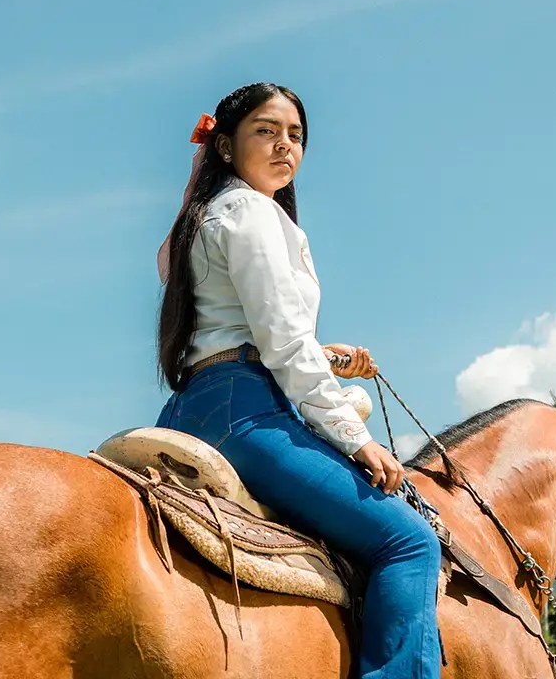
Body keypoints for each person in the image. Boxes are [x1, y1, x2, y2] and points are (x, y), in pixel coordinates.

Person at [153, 82, 441, 679]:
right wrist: (356, 438)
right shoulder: (255, 213)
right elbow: (281, 344)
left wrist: (325, 354)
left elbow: (235, 324)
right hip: (245, 413)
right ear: (226, 147)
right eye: (266, 130)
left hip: (187, 410)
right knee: (410, 544)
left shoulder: (201, 219)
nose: (286, 145)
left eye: (296, 135)